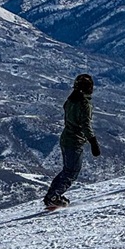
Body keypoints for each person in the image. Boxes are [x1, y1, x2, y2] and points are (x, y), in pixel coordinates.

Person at [43, 73, 101, 209]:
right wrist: (93, 141)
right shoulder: (85, 104)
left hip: (66, 138)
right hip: (75, 141)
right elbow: (85, 124)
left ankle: (52, 195)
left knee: (67, 170)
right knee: (71, 172)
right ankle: (53, 197)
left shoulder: (70, 100)